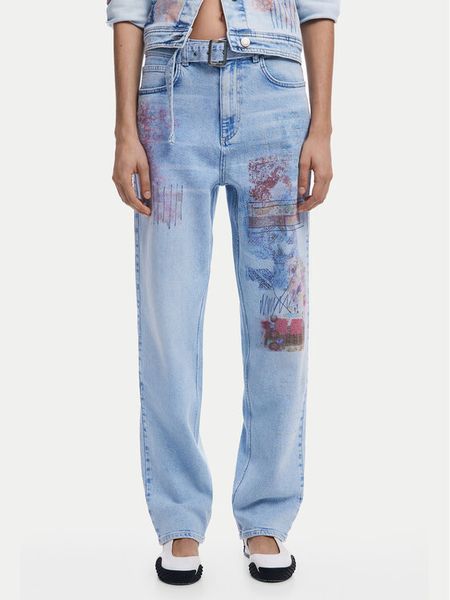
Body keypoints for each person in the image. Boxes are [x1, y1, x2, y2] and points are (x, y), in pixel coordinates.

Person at [107, 0, 340, 585]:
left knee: (279, 331)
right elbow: (128, 9)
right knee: (169, 324)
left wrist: (322, 127)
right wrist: (124, 130)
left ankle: (266, 513)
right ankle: (180, 517)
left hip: (274, 97)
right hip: (169, 99)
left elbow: (318, 7)